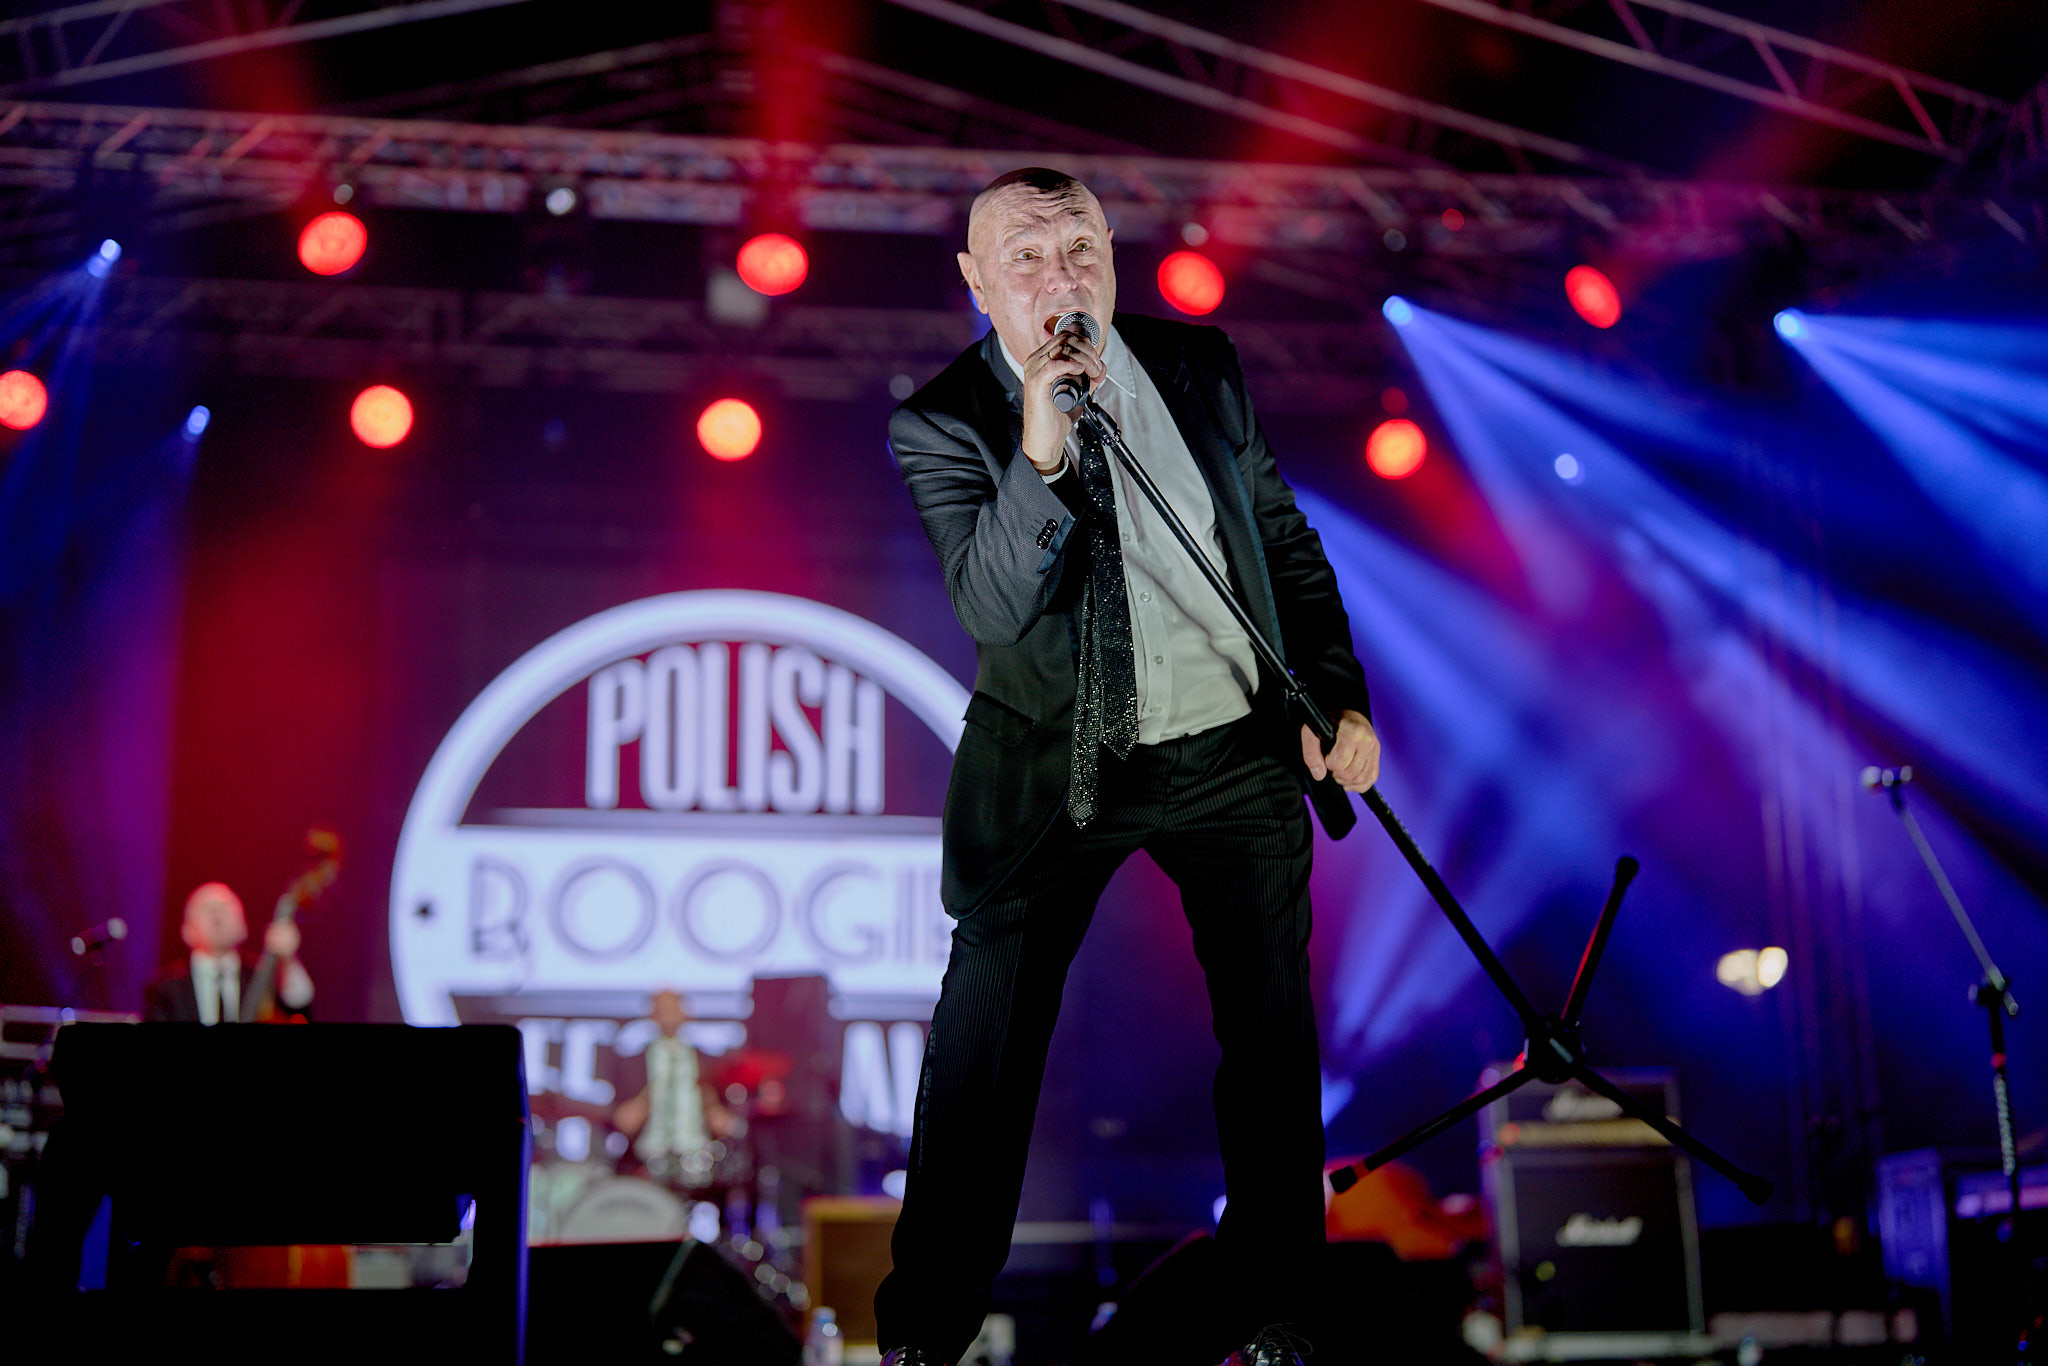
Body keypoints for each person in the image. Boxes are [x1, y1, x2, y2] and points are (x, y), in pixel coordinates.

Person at [876, 168, 1379, 1366]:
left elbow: (1281, 543)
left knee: (1269, 1041)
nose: (1059, 277)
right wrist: (1040, 442)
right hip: (1058, 773)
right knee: (983, 1055)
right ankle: (924, 1337)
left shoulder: (1198, 365)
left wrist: (1336, 693)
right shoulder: (942, 421)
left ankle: (1277, 1320)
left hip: (1231, 749)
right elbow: (994, 604)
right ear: (976, 281)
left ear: (1110, 251)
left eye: (1079, 248)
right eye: (1025, 257)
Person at [142, 881, 312, 1024]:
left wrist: (288, 961)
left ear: (243, 927)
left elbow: (299, 1008)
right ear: (187, 931)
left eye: (224, 908)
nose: (217, 916)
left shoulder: (261, 976)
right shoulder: (165, 988)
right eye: (207, 909)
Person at [611, 989, 730, 1178]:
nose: (668, 1017)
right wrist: (625, 1116)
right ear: (651, 1015)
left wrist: (720, 1118)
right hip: (647, 1157)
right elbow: (618, 1115)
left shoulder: (706, 1062)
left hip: (698, 1156)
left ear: (686, 1013)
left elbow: (721, 1113)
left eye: (673, 1010)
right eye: (662, 1010)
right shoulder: (632, 1064)